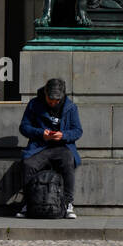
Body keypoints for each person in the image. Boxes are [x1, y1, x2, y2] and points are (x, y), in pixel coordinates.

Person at [17, 77, 82, 219]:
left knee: (68, 162)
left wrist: (63, 135)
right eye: (50, 99)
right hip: (39, 147)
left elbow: (77, 131)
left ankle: (68, 203)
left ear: (62, 96)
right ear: (45, 94)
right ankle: (28, 202)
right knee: (28, 164)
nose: (53, 103)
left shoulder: (70, 107)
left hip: (62, 147)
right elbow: (24, 127)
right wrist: (41, 133)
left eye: (57, 100)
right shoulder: (34, 104)